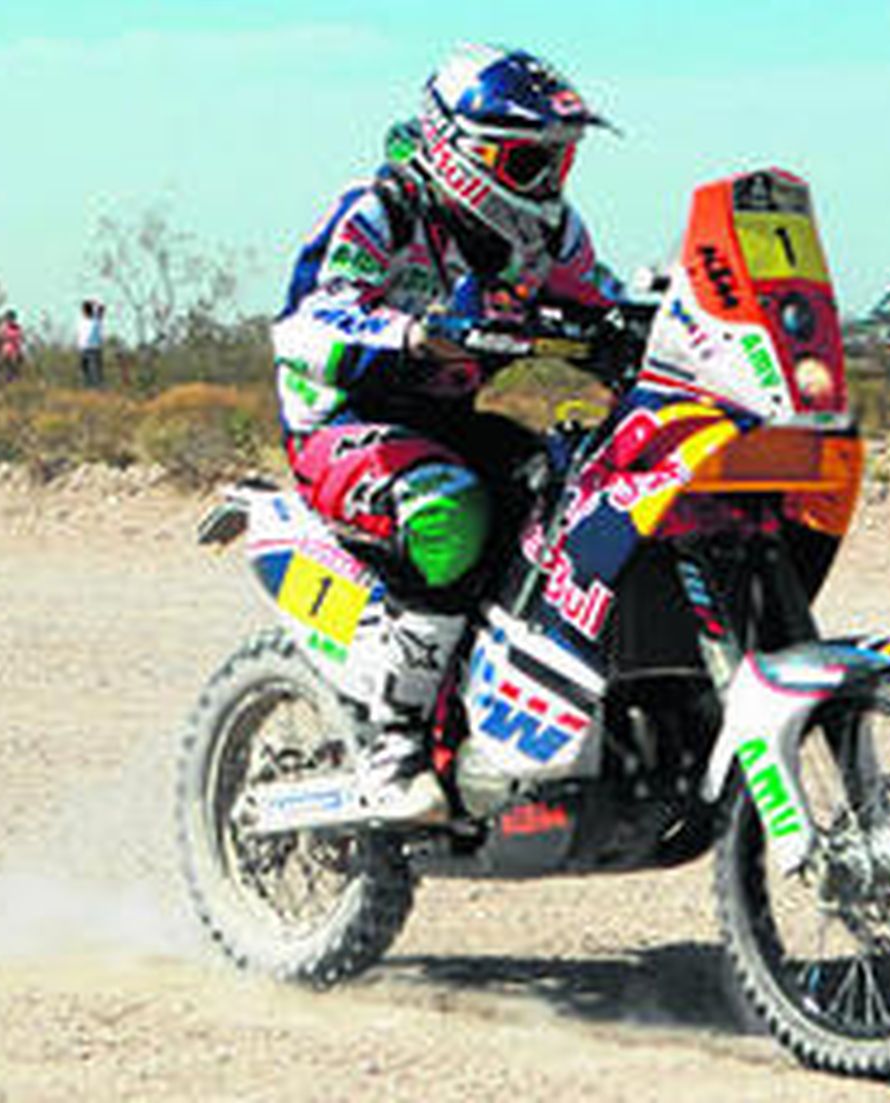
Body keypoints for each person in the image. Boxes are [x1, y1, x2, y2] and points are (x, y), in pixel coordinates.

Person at [270, 44, 621, 824]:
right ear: (462, 151)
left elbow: (601, 302)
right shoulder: (382, 209)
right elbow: (303, 322)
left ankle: (514, 707)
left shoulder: (550, 236)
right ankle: (394, 741)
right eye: (528, 162)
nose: (548, 183)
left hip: (449, 423)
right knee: (448, 513)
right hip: (344, 425)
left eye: (558, 164)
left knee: (569, 489)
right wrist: (412, 333)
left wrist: (658, 331)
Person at [77, 300, 104, 387]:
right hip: (83, 350)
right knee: (84, 373)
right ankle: (87, 391)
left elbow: (102, 307)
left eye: (86, 310)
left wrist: (93, 302)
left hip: (94, 350)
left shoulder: (96, 320)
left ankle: (97, 390)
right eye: (83, 310)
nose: (84, 312)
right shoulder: (82, 320)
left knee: (95, 374)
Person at [0, 309, 26, 380]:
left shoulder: (17, 327)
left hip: (15, 346)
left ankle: (14, 374)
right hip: (6, 345)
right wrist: (6, 338)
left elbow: (22, 336)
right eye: (9, 318)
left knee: (16, 358)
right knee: (3, 358)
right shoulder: (3, 326)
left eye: (12, 318)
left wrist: (21, 339)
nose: (10, 320)